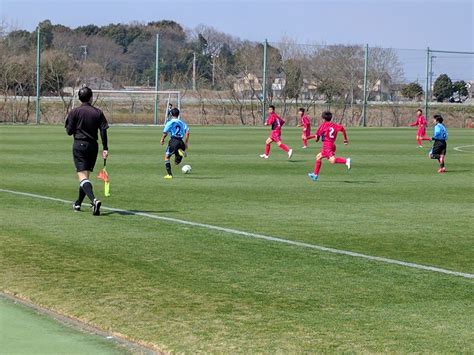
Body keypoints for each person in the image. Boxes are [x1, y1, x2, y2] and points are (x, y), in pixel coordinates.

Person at [65, 86, 109, 216]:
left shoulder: (74, 112)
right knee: (86, 177)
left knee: (82, 177)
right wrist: (105, 148)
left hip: (79, 145)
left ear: (79, 98)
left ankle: (94, 201)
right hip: (93, 147)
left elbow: (69, 132)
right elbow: (103, 131)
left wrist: (68, 123)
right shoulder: (98, 112)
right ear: (91, 97)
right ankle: (78, 203)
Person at [308, 111, 351, 181]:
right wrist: (345, 139)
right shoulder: (334, 125)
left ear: (323, 118)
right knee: (318, 157)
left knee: (333, 160)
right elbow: (342, 129)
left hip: (327, 146)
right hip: (331, 145)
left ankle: (346, 161)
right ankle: (315, 175)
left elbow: (317, 139)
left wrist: (312, 137)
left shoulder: (323, 126)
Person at [160, 107, 189, 179]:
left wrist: (162, 139)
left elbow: (165, 132)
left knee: (167, 157)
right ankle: (179, 152)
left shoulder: (170, 122)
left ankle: (169, 175)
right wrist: (186, 143)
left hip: (174, 141)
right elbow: (187, 133)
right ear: (178, 114)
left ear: (171, 114)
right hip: (181, 142)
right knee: (177, 162)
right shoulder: (182, 123)